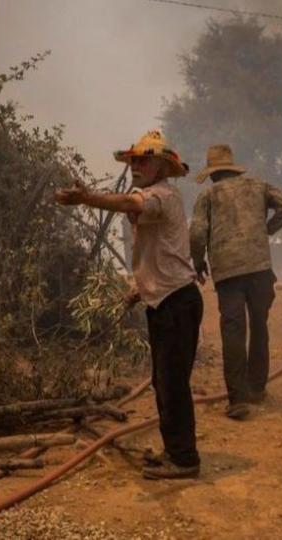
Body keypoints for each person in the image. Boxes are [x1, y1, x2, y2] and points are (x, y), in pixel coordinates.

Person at [55, 130, 202, 479]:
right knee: (163, 380)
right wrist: (140, 288)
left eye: (144, 159)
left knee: (172, 382)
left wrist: (87, 197)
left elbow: (130, 204)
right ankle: (175, 451)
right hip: (167, 298)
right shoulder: (157, 194)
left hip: (176, 303)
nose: (136, 165)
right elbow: (161, 251)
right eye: (133, 160)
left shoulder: (160, 194)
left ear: (162, 166)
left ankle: (184, 460)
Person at [189, 144, 282, 420]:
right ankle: (257, 389)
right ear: (232, 168)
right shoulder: (259, 185)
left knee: (233, 332)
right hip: (260, 269)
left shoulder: (208, 195)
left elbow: (198, 233)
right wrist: (265, 231)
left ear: (212, 173)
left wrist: (198, 264)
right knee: (259, 326)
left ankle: (238, 400)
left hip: (228, 274)